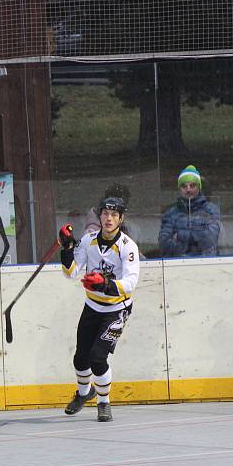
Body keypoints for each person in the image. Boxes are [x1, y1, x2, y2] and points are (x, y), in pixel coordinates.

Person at [59, 196, 139, 422]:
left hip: (116, 310)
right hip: (92, 307)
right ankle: (85, 394)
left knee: (97, 358)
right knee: (80, 359)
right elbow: (71, 273)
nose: (109, 218)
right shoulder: (88, 240)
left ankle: (104, 402)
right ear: (100, 216)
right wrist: (67, 248)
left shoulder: (127, 247)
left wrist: (105, 284)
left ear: (121, 219)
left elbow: (131, 283)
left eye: (114, 215)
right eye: (105, 213)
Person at [158, 165, 221, 257]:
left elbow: (209, 240)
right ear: (179, 189)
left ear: (199, 187)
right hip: (178, 265)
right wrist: (195, 241)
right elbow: (164, 245)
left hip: (206, 264)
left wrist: (179, 236)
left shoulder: (211, 209)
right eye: (184, 186)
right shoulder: (171, 213)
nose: (188, 190)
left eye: (192, 185)